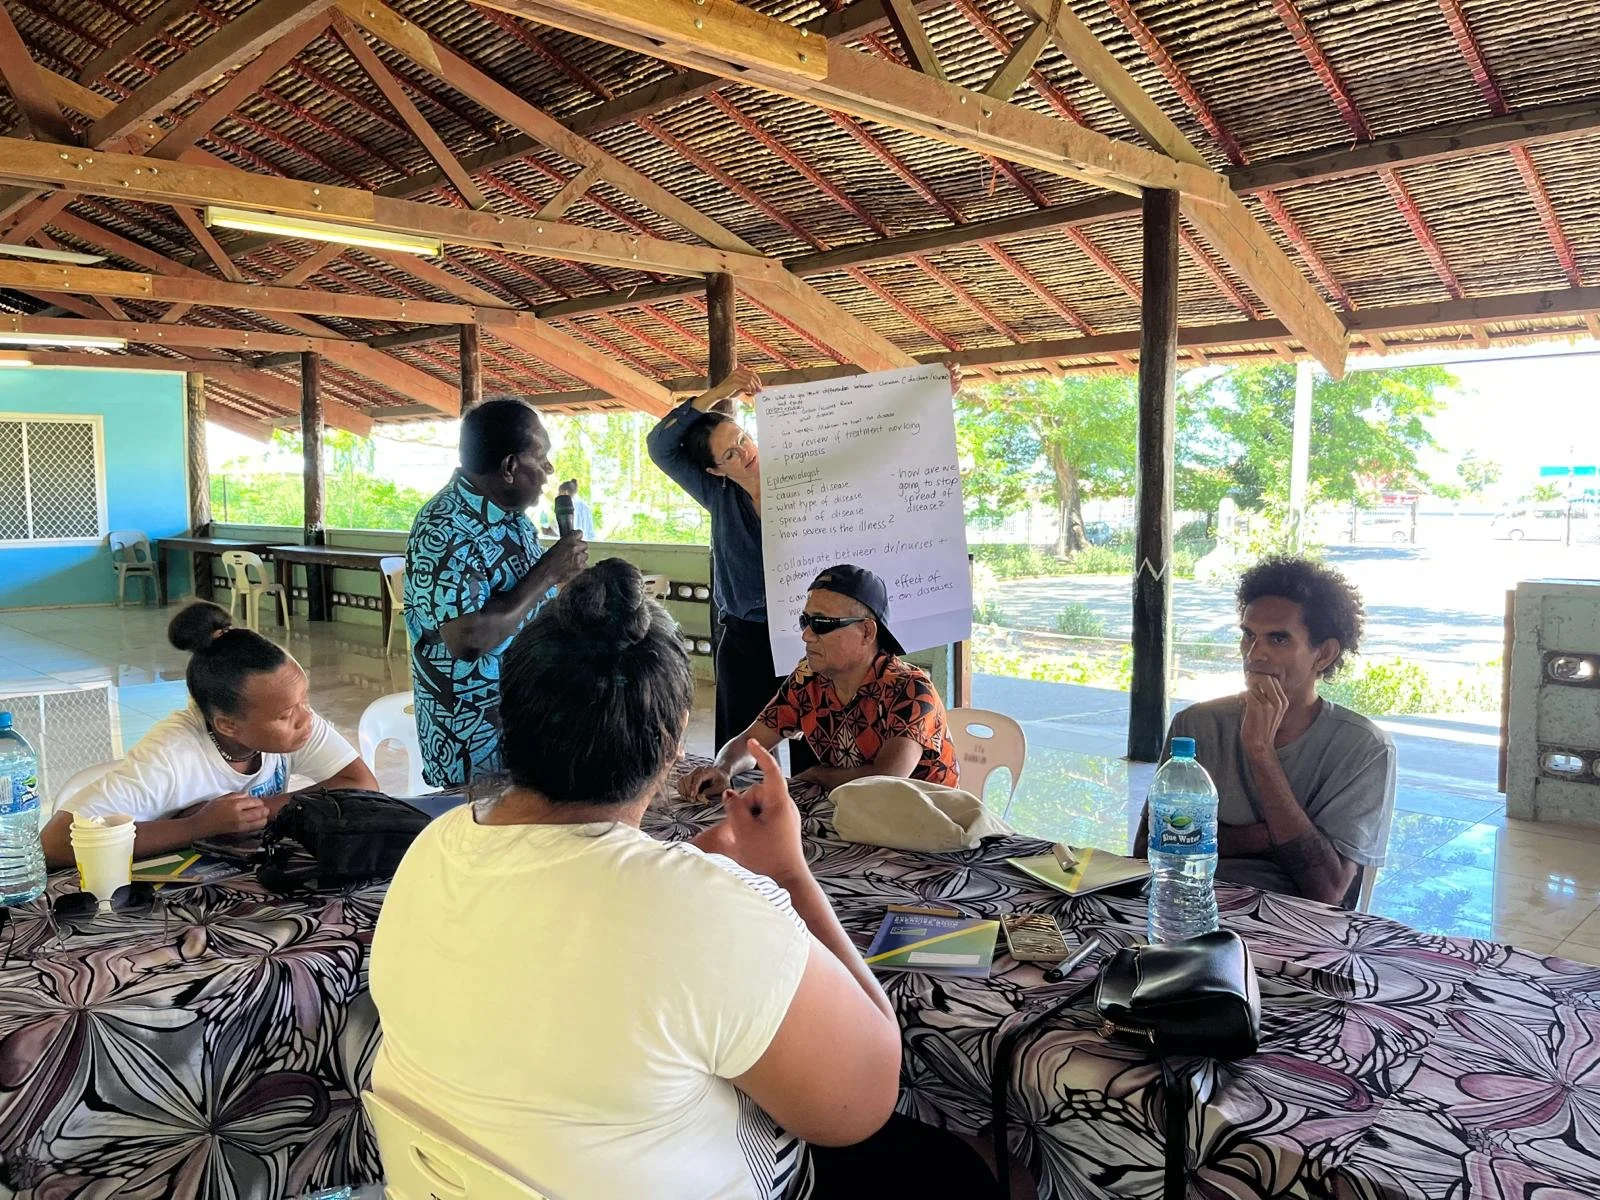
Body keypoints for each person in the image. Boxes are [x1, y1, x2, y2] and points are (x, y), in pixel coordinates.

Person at [369, 559, 993, 1199]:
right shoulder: (707, 911)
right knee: (957, 1166)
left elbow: (578, 906)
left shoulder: (433, 847)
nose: (807, 633)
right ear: (673, 748)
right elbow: (861, 1100)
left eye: (822, 622)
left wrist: (695, 867)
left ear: (510, 719)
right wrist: (787, 873)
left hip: (436, 1179)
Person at [1135, 556, 1396, 906]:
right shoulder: (1197, 725)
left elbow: (1328, 890)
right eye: (1248, 635)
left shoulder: (1364, 748)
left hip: (1294, 926)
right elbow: (1147, 852)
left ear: (1325, 654)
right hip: (1187, 907)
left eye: (1279, 640)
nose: (1254, 654)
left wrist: (1261, 752)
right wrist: (1267, 838)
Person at [40, 601, 377, 868]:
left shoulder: (297, 721)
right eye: (286, 714)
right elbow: (54, 842)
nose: (306, 718)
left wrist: (259, 808)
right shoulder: (169, 755)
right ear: (228, 725)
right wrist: (197, 827)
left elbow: (361, 783)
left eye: (304, 700)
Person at [405, 396, 588, 787]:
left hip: (524, 714)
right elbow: (468, 639)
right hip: (473, 731)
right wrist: (549, 570)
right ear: (509, 467)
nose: (548, 469)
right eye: (541, 457)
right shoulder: (444, 527)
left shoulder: (512, 519)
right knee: (479, 841)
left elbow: (528, 602)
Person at [680, 565, 959, 800]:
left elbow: (884, 781)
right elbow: (752, 740)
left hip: (929, 832)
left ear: (866, 631)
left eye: (822, 623)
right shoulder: (809, 679)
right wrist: (724, 768)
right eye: (806, 621)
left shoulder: (911, 690)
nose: (807, 636)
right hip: (854, 815)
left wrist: (817, 775)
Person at [646, 366, 784, 753]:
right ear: (714, 469)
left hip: (807, 631)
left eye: (742, 439)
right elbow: (660, 445)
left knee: (817, 743)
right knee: (741, 749)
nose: (744, 452)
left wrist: (929, 393)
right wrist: (721, 390)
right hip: (747, 633)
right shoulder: (719, 494)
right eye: (729, 453)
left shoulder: (797, 475)